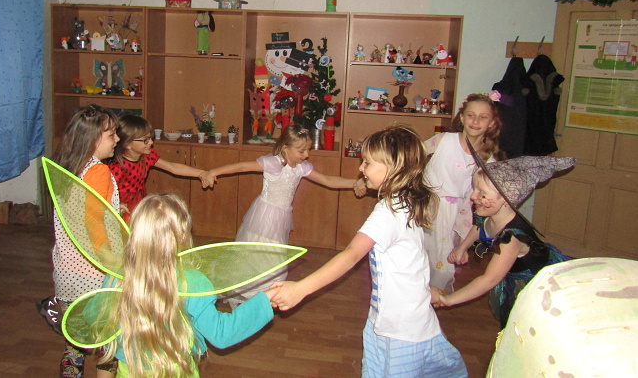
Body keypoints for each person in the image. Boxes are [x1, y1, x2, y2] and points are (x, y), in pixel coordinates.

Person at [270, 126, 467, 377]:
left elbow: (351, 254)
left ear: (394, 168)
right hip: (406, 321)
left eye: (367, 163)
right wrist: (423, 289)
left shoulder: (389, 212)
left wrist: (301, 289)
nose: (361, 168)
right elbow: (410, 260)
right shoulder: (406, 200)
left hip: (398, 332)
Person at [100, 193, 276, 377]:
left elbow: (98, 320)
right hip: (177, 372)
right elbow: (222, 333)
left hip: (130, 371)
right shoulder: (192, 283)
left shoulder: (115, 277)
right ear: (183, 236)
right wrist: (264, 300)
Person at [200, 123, 366, 301]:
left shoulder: (301, 167)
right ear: (286, 148)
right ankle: (253, 292)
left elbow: (327, 180)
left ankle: (265, 292)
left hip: (281, 217)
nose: (306, 155)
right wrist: (213, 172)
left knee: (273, 256)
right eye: (301, 151)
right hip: (264, 216)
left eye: (308, 150)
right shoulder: (275, 163)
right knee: (257, 254)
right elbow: (242, 167)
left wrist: (354, 183)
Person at [435, 154, 575, 328]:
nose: (473, 196)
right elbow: (480, 227)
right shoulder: (488, 213)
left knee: (528, 324)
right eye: (474, 189)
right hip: (512, 274)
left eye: (481, 193)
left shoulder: (511, 239)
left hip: (538, 283)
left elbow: (489, 279)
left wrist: (449, 299)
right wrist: (463, 247)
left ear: (507, 198)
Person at [43, 104, 121, 378]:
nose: (117, 139)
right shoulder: (98, 171)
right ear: (93, 139)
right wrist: (112, 262)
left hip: (67, 270)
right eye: (111, 135)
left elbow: (80, 212)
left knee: (75, 343)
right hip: (95, 274)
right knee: (108, 346)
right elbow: (93, 222)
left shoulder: (69, 166)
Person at [423, 91, 505, 293]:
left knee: (441, 264)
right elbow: (408, 157)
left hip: (454, 216)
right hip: (425, 208)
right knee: (417, 258)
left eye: (483, 117)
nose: (475, 121)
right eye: (470, 115)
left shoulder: (488, 160)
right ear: (461, 117)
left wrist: (464, 245)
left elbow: (485, 203)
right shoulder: (443, 140)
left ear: (492, 123)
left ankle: (434, 299)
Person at [107, 112, 204, 222]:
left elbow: (173, 167)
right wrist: (116, 207)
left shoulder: (146, 157)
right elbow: (106, 193)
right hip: (122, 206)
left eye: (150, 137)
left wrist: (202, 173)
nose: (151, 142)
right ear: (127, 144)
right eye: (145, 140)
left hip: (139, 201)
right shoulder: (117, 169)